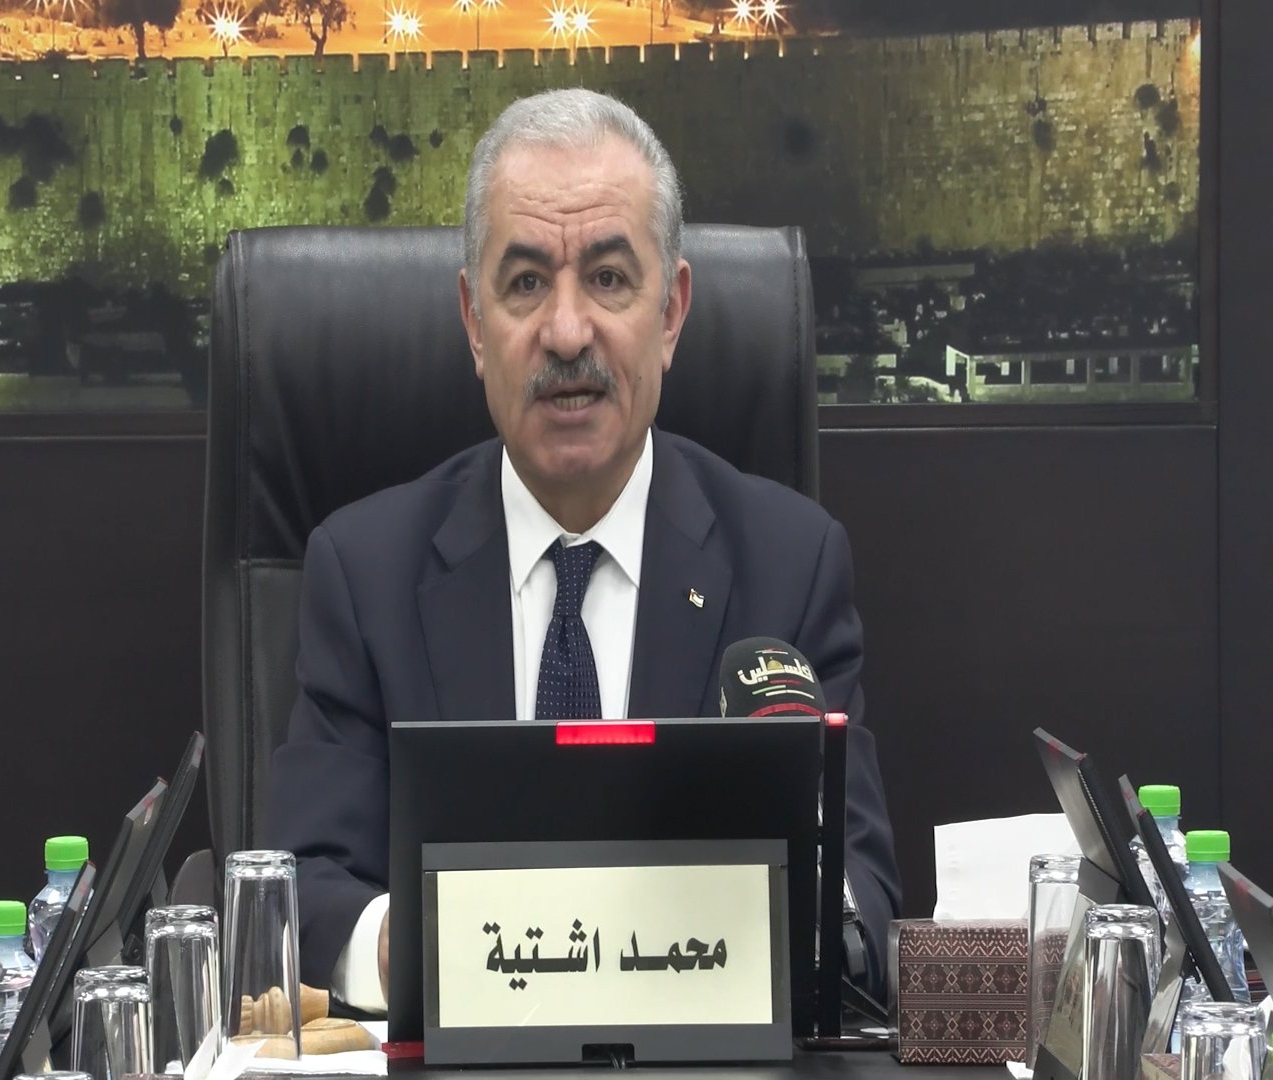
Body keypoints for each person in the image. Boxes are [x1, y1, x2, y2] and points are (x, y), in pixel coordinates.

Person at [267, 87, 900, 1015]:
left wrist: (802, 918)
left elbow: (861, 903)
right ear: (474, 322)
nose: (566, 333)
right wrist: (423, 947)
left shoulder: (789, 566)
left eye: (607, 278)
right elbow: (301, 889)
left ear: (671, 311)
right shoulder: (366, 573)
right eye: (526, 284)